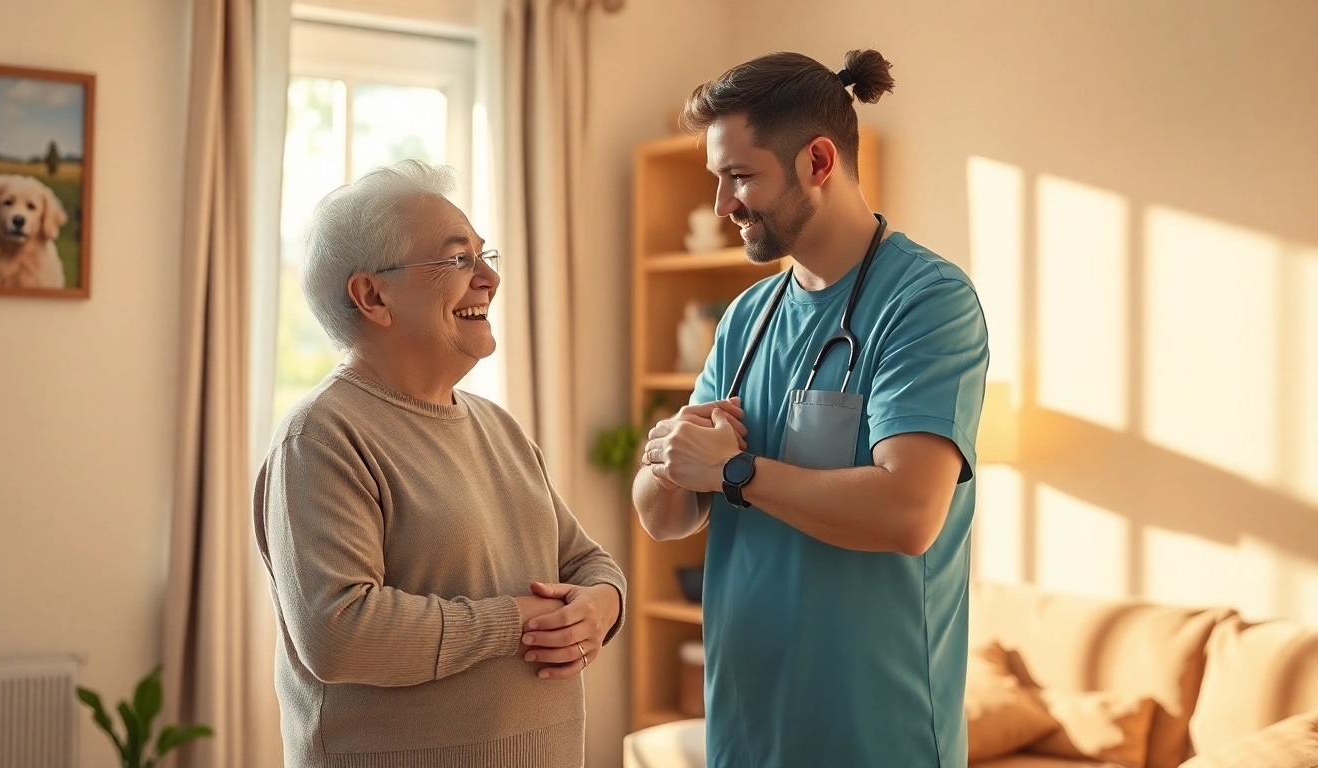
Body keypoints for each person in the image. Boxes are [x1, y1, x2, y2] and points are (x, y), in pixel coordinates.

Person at [635, 49, 988, 768]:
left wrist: (735, 471)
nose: (722, 205)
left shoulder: (928, 302)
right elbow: (663, 514)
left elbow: (908, 512)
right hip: (745, 730)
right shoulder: (747, 317)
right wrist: (673, 455)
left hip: (875, 738)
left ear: (818, 161)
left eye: (740, 176)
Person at [253, 160, 625, 768]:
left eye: (484, 255)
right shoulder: (320, 435)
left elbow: (585, 561)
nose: (490, 279)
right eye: (458, 260)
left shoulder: (498, 426)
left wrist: (603, 605)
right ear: (373, 296)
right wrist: (519, 621)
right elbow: (338, 632)